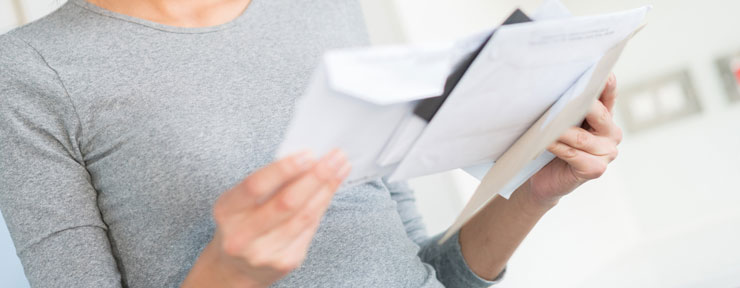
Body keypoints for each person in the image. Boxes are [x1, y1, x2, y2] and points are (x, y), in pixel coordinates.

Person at [0, 0, 622, 287]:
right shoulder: (27, 73)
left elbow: (422, 269)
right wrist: (229, 274)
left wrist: (535, 193)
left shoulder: (321, 7)